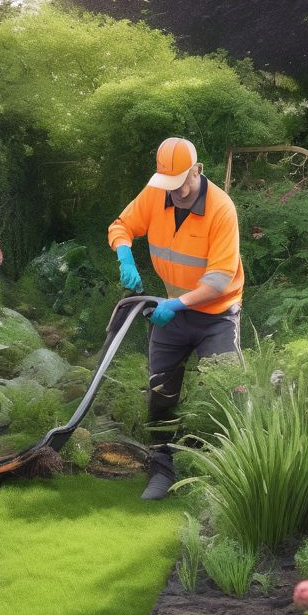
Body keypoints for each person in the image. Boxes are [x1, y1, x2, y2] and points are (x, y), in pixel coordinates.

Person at [108, 137, 244, 501]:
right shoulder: (157, 193)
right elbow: (121, 225)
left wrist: (178, 304)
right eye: (168, 186)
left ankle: (227, 475)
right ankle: (162, 469)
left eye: (180, 185)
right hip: (173, 313)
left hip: (216, 316)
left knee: (227, 393)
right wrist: (125, 257)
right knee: (160, 393)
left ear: (197, 171)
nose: (175, 194)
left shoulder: (221, 209)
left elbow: (218, 280)